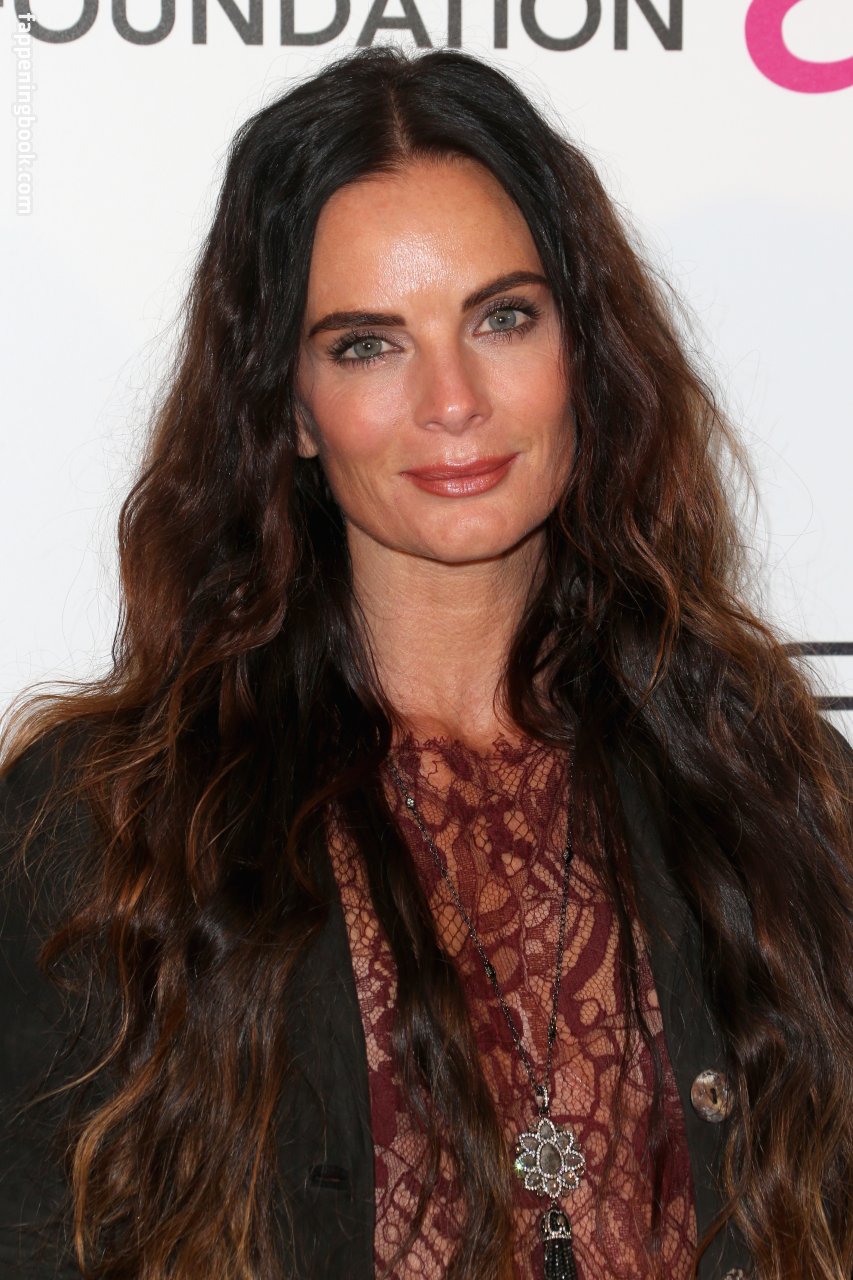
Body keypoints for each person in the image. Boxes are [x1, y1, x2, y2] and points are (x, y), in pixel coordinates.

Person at [1, 45, 850, 1280]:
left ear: (582, 351)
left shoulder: (768, 786)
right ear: (288, 407)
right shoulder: (105, 830)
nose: (452, 398)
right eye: (367, 344)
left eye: (503, 317)